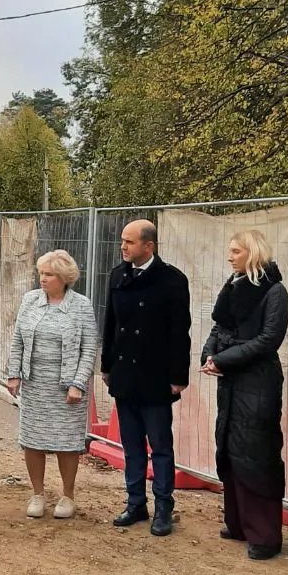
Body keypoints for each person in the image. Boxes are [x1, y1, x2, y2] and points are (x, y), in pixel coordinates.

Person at [200, 229, 288, 560]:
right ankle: (237, 523)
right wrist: (209, 355)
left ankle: (264, 536)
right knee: (230, 449)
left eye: (236, 251)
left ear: (252, 253)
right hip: (231, 380)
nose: (230, 256)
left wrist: (222, 359)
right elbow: (219, 327)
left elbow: (268, 340)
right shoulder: (235, 285)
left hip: (258, 383)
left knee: (257, 453)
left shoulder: (275, 292)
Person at [101, 219, 191, 536]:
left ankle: (164, 506)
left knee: (160, 445)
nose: (123, 247)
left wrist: (179, 375)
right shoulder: (117, 276)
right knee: (131, 445)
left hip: (156, 375)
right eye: (122, 241)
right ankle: (135, 502)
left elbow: (181, 332)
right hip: (125, 375)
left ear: (148, 246)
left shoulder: (172, 280)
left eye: (129, 242)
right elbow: (110, 325)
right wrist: (107, 366)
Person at [5, 250, 98, 519]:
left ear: (63, 277)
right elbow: (18, 340)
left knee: (66, 443)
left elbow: (89, 349)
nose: (42, 279)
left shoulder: (81, 306)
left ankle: (67, 495)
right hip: (35, 383)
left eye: (48, 274)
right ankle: (37, 493)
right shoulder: (30, 300)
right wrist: (14, 374)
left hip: (66, 386)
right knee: (32, 440)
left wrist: (78, 384)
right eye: (40, 273)